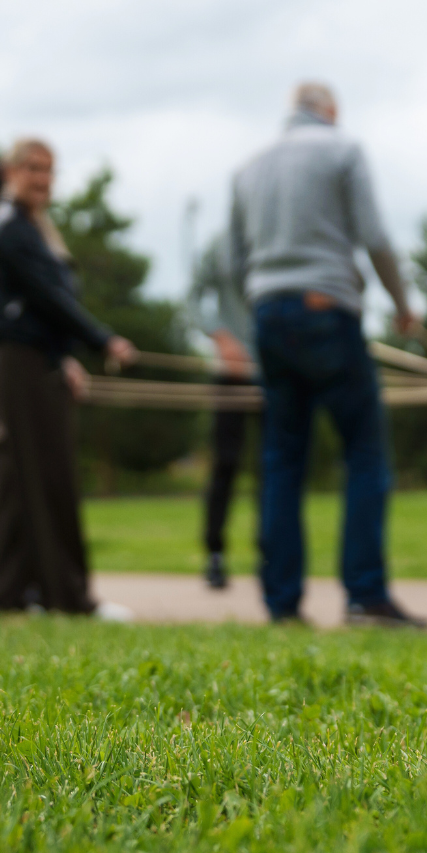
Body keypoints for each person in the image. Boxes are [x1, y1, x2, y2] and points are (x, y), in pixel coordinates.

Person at [231, 82, 427, 627]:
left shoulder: (247, 169)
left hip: (267, 316)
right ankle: (365, 597)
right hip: (326, 311)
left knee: (281, 462)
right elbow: (375, 235)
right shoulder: (343, 149)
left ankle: (281, 602)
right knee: (364, 453)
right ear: (330, 111)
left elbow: (232, 262)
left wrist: (250, 323)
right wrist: (403, 305)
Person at [0, 138, 138, 617]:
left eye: (49, 170)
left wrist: (65, 357)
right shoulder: (10, 228)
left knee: (14, 481)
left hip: (31, 358)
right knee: (49, 478)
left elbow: (43, 305)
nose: (43, 179)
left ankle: (4, 592)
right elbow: (50, 298)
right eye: (33, 168)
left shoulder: (28, 226)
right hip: (19, 362)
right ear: (10, 171)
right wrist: (102, 340)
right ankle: (69, 598)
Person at [187, 231, 255, 589]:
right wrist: (221, 337)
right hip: (230, 372)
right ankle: (215, 554)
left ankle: (272, 555)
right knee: (225, 463)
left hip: (277, 371)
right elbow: (193, 299)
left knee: (274, 467)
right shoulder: (220, 245)